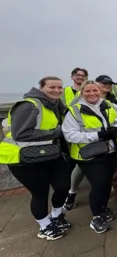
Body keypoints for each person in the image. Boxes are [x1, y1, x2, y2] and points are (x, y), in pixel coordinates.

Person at [0, 76, 71, 240]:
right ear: (41, 88)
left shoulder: (55, 105)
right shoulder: (28, 106)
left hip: (50, 154)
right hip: (24, 158)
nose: (56, 91)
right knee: (40, 192)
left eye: (59, 88)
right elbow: (21, 133)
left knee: (63, 185)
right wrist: (57, 132)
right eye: (52, 87)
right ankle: (45, 226)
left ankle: (56, 215)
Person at [62, 80, 117, 233]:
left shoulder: (111, 105)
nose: (92, 94)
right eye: (88, 91)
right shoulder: (74, 111)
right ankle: (96, 217)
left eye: (95, 90)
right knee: (98, 184)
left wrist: (115, 129)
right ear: (82, 93)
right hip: (89, 154)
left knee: (106, 183)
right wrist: (97, 135)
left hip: (111, 151)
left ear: (100, 91)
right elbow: (70, 135)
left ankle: (103, 208)